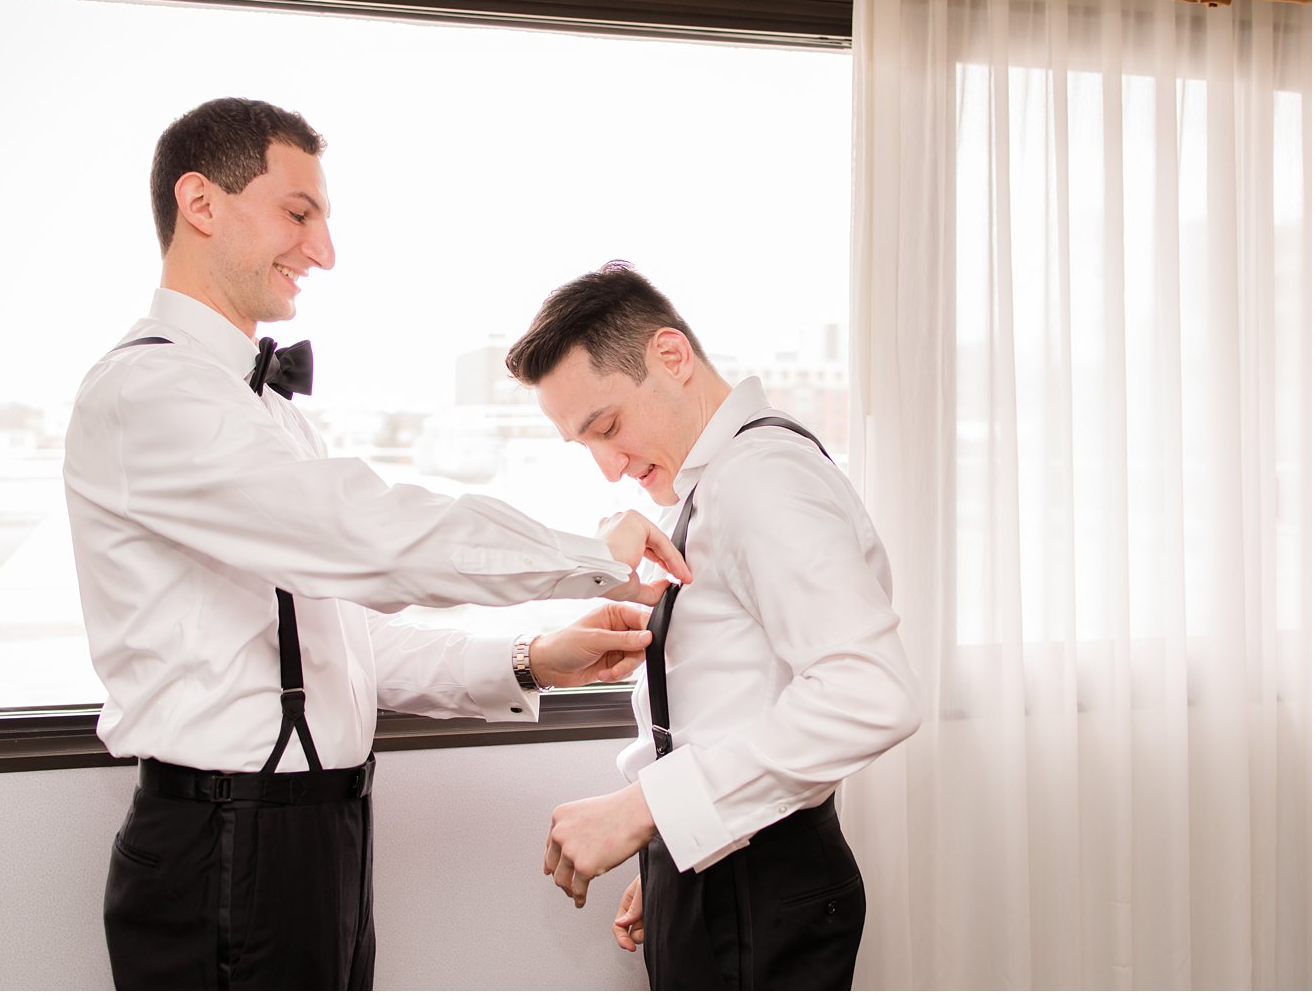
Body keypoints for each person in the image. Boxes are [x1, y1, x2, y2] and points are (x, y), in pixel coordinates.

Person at [63, 100, 690, 991]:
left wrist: (531, 657)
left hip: (320, 838)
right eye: (298, 212)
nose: (324, 252)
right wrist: (588, 550)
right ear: (199, 203)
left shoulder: (269, 413)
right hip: (222, 843)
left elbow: (343, 645)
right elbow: (369, 533)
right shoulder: (147, 395)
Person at [506, 262, 921, 990]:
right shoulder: (712, 481)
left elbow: (870, 694)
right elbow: (735, 702)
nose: (608, 467)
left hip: (761, 886)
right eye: (584, 445)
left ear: (672, 356)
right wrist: (679, 846)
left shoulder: (763, 479)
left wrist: (645, 809)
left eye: (607, 427)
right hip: (723, 866)